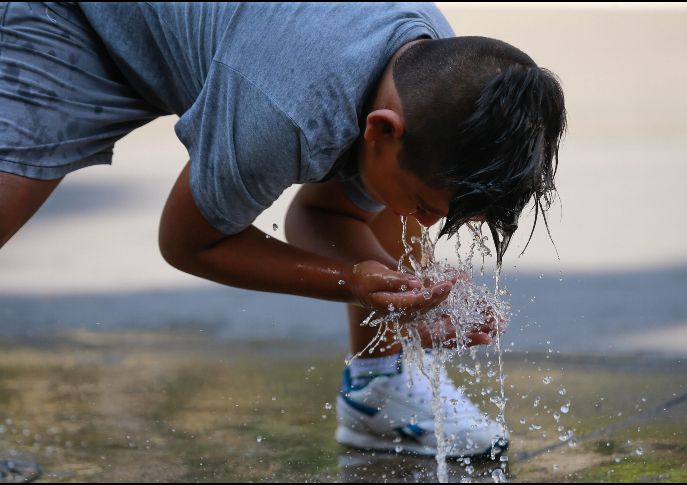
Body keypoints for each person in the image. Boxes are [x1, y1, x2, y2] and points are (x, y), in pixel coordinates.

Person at [0, 3, 566, 458]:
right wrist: (348, 280)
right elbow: (189, 242)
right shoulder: (286, 109)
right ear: (379, 129)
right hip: (79, 20)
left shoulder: (432, 66)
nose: (424, 226)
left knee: (396, 195)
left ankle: (379, 390)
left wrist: (398, 294)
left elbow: (326, 214)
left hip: (240, 41)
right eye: (426, 206)